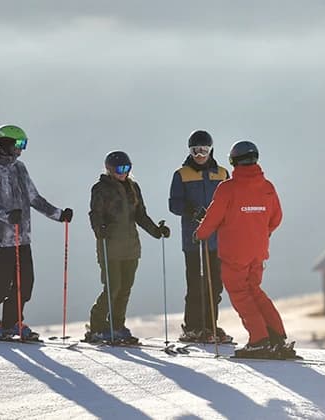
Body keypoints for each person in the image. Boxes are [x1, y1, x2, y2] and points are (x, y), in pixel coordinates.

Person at [194, 141, 296, 359]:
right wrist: (260, 232)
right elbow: (276, 218)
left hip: (235, 252)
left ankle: (259, 340)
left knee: (241, 293)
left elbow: (213, 218)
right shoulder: (267, 187)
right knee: (255, 290)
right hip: (258, 250)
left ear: (233, 161)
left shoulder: (228, 188)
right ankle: (276, 337)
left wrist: (200, 234)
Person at [0, 124, 73, 340]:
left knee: (25, 283)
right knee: (0, 282)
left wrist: (59, 214)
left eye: (23, 144)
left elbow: (33, 198)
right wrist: (8, 216)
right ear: (6, 143)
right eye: (19, 144)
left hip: (22, 236)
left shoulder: (19, 168)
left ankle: (11, 323)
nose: (21, 149)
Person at [86, 151, 170, 344]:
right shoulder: (100, 188)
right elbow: (94, 213)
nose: (123, 173)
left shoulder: (133, 187)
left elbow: (140, 215)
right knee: (112, 287)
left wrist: (157, 231)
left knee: (125, 288)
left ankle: (116, 325)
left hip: (131, 246)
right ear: (109, 169)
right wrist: (99, 229)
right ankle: (97, 326)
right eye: (119, 169)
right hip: (110, 246)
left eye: (126, 168)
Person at [168, 130, 233, 343]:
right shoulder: (182, 174)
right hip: (193, 239)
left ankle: (210, 325)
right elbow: (174, 204)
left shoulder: (222, 174)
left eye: (203, 150)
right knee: (196, 283)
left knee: (215, 284)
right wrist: (191, 210)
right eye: (195, 150)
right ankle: (193, 327)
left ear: (211, 150)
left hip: (218, 239)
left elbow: (230, 201)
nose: (199, 155)